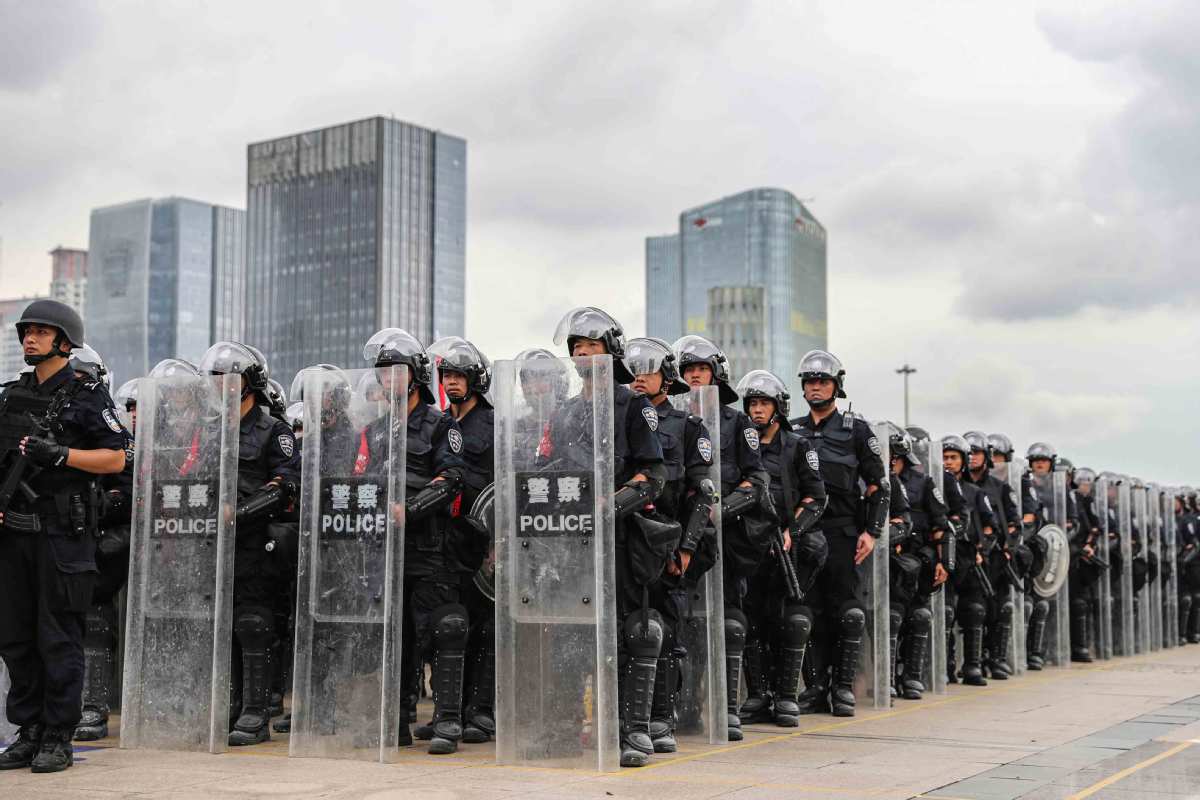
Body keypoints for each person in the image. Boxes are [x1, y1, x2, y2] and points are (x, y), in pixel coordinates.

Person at [0, 300, 128, 772]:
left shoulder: (85, 394)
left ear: (64, 341)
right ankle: (28, 731)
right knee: (15, 638)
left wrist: (61, 455)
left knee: (58, 638)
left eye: (41, 331)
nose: (30, 338)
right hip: (14, 536)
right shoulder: (12, 395)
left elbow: (116, 458)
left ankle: (58, 735)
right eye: (26, 331)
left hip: (62, 535)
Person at [546, 309, 667, 767]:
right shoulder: (566, 412)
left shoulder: (633, 406)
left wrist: (610, 504)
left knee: (629, 632)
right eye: (575, 346)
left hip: (620, 537)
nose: (581, 353)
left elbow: (653, 475)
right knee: (570, 635)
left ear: (610, 351)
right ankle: (564, 725)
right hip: (570, 540)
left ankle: (631, 730)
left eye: (590, 345)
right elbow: (549, 472)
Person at [359, 329, 466, 755]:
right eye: (383, 373)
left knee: (443, 630)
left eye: (397, 371)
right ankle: (397, 719)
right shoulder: (374, 428)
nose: (389, 380)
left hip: (430, 547)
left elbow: (452, 477)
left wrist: (411, 508)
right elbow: (359, 479)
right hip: (385, 550)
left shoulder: (442, 424)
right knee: (394, 634)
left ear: (417, 375)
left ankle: (447, 721)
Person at [197, 342, 301, 747]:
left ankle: (256, 712)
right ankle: (232, 703)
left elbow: (285, 483)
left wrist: (238, 513)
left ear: (249, 384)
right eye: (217, 379)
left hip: (257, 541)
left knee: (254, 625)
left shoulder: (273, 429)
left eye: (229, 379)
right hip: (213, 543)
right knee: (224, 626)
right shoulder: (210, 428)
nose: (221, 386)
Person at [673, 335, 769, 738]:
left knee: (728, 623)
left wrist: (721, 510)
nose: (695, 376)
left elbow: (756, 481)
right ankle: (682, 705)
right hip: (678, 535)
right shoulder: (670, 417)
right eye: (688, 370)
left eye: (702, 370)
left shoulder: (738, 423)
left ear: (717, 375)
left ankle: (727, 707)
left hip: (725, 537)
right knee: (680, 625)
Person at [625, 337, 717, 750]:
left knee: (661, 632)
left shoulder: (688, 426)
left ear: (667, 377)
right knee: (629, 634)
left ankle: (661, 720)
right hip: (623, 537)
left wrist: (686, 548)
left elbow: (703, 494)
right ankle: (629, 719)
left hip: (664, 541)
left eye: (648, 369)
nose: (639, 376)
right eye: (633, 369)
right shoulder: (618, 414)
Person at [792, 350, 889, 717]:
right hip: (803, 535)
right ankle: (816, 687)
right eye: (810, 381)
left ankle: (843, 687)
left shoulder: (856, 430)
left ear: (836, 386)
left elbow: (880, 485)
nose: (816, 386)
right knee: (806, 612)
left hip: (843, 533)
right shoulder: (794, 429)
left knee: (846, 612)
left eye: (823, 381)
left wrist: (872, 532)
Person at [736, 370, 826, 727]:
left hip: (790, 549)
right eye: (752, 404)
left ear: (778, 407)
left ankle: (787, 695)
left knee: (792, 619)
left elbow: (817, 497)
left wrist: (793, 529)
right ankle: (759, 695)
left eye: (763, 403)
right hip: (750, 546)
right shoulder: (742, 443)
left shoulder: (798, 446)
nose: (757, 411)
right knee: (752, 620)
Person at [417, 337, 495, 746]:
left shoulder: (493, 424)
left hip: (480, 540)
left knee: (482, 627)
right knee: (445, 627)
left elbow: (504, 488)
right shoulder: (436, 423)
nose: (451, 383)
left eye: (459, 376)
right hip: (443, 540)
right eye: (446, 375)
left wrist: (497, 544)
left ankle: (478, 712)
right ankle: (448, 709)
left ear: (475, 380)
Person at [68, 346, 135, 742]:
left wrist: (95, 506)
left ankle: (92, 706)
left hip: (100, 540)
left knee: (93, 619)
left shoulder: (114, 437)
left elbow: (127, 491)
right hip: (49, 539)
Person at [889, 426, 949, 700]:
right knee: (890, 617)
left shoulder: (922, 482)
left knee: (920, 617)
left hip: (917, 562)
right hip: (885, 561)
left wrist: (943, 561)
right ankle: (885, 677)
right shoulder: (872, 478)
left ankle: (912, 676)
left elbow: (941, 526)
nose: (890, 460)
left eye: (894, 456)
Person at [942, 434, 997, 686]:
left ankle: (973, 665)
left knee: (974, 611)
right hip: (944, 556)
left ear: (963, 461)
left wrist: (980, 549)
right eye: (944, 457)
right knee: (946, 612)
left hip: (970, 558)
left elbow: (990, 527)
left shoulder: (975, 492)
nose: (948, 462)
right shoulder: (936, 486)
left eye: (953, 457)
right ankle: (946, 666)